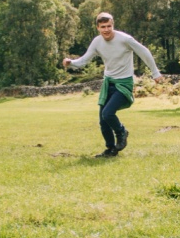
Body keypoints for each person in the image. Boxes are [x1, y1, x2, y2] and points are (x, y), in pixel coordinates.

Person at [63, 12, 164, 158]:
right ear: (98, 27)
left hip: (124, 83)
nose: (106, 30)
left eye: (109, 26)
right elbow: (84, 60)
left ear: (113, 25)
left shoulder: (125, 39)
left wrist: (155, 72)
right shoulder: (97, 42)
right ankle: (110, 149)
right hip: (108, 83)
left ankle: (122, 132)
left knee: (108, 113)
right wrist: (71, 62)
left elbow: (144, 52)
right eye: (103, 27)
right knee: (103, 121)